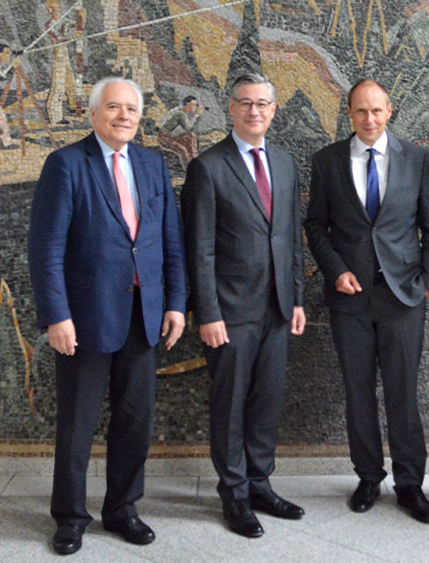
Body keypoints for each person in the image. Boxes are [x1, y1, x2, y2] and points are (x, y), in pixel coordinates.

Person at [27, 77, 187, 556]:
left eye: (131, 109)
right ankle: (71, 517)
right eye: (113, 107)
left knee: (135, 418)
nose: (123, 116)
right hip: (84, 318)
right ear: (92, 114)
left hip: (145, 314)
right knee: (78, 422)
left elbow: (169, 242)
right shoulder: (65, 164)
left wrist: (176, 303)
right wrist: (57, 315)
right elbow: (46, 248)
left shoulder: (153, 165)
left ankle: (122, 510)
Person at [304, 79, 429, 524]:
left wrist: (426, 284)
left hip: (403, 297)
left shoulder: (415, 158)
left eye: (377, 111)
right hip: (351, 298)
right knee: (358, 392)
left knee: (403, 394)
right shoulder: (327, 160)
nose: (369, 119)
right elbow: (315, 226)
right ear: (349, 113)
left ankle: (409, 485)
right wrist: (335, 270)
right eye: (361, 112)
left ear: (390, 112)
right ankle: (368, 477)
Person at [181, 74, 307, 539]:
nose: (255, 111)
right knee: (230, 404)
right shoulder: (208, 167)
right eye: (245, 103)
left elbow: (291, 237)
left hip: (277, 308)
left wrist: (295, 298)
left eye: (263, 104)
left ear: (274, 110)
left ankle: (260, 484)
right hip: (230, 312)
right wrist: (208, 312)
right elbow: (201, 249)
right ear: (230, 108)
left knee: (267, 402)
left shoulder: (285, 163)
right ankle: (233, 494)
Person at [44, 0, 80, 125]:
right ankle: (55, 117)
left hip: (64, 54)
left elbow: (76, 24)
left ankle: (73, 107)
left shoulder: (63, 19)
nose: (54, 10)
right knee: (58, 85)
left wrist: (80, 18)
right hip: (58, 53)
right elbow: (57, 40)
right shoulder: (49, 24)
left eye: (55, 7)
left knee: (70, 81)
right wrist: (72, 37)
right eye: (51, 8)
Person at [159, 95, 203, 165]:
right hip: (164, 138)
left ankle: (195, 160)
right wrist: (197, 115)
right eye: (194, 105)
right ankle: (189, 169)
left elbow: (190, 129)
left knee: (190, 137)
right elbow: (189, 128)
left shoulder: (180, 111)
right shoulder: (180, 114)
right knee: (183, 150)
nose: (196, 107)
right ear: (187, 104)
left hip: (171, 136)